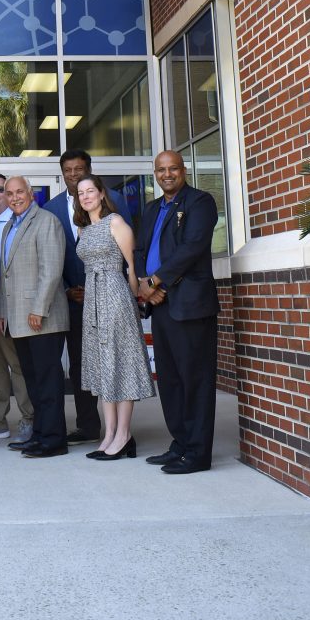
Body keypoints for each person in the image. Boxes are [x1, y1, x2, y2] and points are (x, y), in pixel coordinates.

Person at [135, 151, 219, 474]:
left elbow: (192, 247)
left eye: (173, 169)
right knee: (170, 380)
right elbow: (140, 249)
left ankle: (198, 454)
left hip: (190, 305)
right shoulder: (152, 208)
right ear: (155, 173)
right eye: (161, 170)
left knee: (195, 380)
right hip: (161, 306)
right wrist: (144, 284)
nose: (167, 174)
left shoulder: (200, 202)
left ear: (183, 171)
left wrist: (157, 281)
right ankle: (181, 443)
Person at [44, 149, 132, 446]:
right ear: (62, 173)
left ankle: (120, 432)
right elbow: (55, 254)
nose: (73, 174)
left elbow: (129, 252)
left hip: (111, 296)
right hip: (72, 298)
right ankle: (89, 425)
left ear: (90, 170)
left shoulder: (115, 205)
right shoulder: (54, 208)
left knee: (114, 361)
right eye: (68, 170)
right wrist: (68, 287)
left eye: (79, 169)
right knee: (85, 363)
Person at [74, 176, 155, 461]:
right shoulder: (83, 229)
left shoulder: (116, 222)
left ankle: (124, 435)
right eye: (81, 192)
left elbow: (132, 269)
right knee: (101, 365)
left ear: (100, 194)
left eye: (90, 191)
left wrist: (134, 303)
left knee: (120, 362)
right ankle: (108, 433)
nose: (85, 196)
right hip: (92, 300)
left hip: (115, 295)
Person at [0, 177, 69, 459]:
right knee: (33, 381)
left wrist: (39, 309)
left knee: (48, 382)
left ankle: (54, 440)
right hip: (18, 320)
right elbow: (6, 275)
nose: (14, 197)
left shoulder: (47, 221)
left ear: (30, 193)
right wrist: (3, 312)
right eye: (9, 193)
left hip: (43, 318)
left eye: (20, 192)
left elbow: (51, 270)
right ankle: (39, 434)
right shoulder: (9, 226)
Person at [0, 173, 34, 444]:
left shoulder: (13, 225)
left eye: (0, 189)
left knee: (18, 364)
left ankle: (29, 419)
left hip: (9, 305)